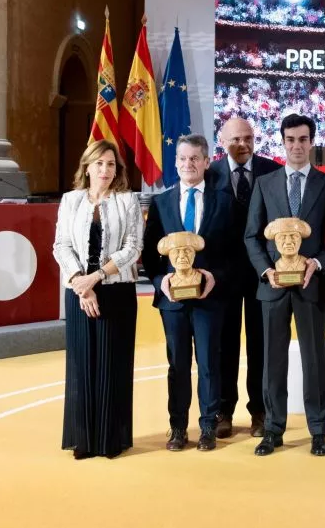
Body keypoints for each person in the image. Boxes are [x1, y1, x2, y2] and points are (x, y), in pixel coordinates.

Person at [244, 113, 325, 457]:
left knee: (314, 359)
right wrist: (265, 270)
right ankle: (273, 429)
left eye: (302, 139)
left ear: (311, 142)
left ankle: (318, 430)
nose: (296, 146)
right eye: (290, 140)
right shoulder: (264, 184)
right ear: (282, 142)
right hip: (272, 286)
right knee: (272, 361)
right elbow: (251, 236)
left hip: (311, 284)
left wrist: (317, 263)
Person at [143, 134, 234, 452]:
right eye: (182, 158)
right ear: (175, 162)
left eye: (195, 158)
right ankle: (178, 428)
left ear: (207, 162)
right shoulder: (161, 202)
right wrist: (161, 281)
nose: (188, 164)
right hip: (173, 302)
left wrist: (215, 276)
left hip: (210, 299)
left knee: (209, 363)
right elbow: (149, 255)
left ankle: (208, 426)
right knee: (177, 365)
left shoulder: (225, 202)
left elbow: (234, 253)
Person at [52, 140, 142, 459]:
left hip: (116, 291)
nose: (105, 169)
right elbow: (61, 246)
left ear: (117, 170)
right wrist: (81, 282)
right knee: (81, 365)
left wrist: (96, 277)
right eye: (99, 163)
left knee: (113, 365)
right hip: (79, 292)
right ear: (87, 167)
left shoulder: (128, 201)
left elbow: (133, 248)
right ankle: (83, 439)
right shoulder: (70, 200)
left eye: (111, 164)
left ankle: (110, 439)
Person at [208, 116, 281, 438]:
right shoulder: (209, 175)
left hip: (261, 273)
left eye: (248, 138)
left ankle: (260, 412)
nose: (243, 144)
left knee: (260, 345)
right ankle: (223, 410)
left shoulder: (272, 171)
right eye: (236, 139)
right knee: (224, 344)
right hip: (222, 276)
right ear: (221, 141)